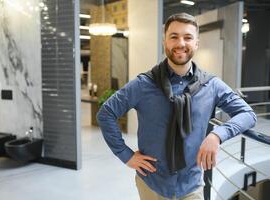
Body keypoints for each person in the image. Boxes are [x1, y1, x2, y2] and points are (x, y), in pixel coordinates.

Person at [96, 13, 256, 200]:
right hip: (151, 184)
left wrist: (217, 135)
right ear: (165, 42)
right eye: (174, 36)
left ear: (196, 43)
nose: (181, 43)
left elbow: (247, 114)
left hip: (191, 186)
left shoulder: (212, 85)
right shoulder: (143, 84)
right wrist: (126, 155)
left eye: (188, 37)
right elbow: (106, 113)